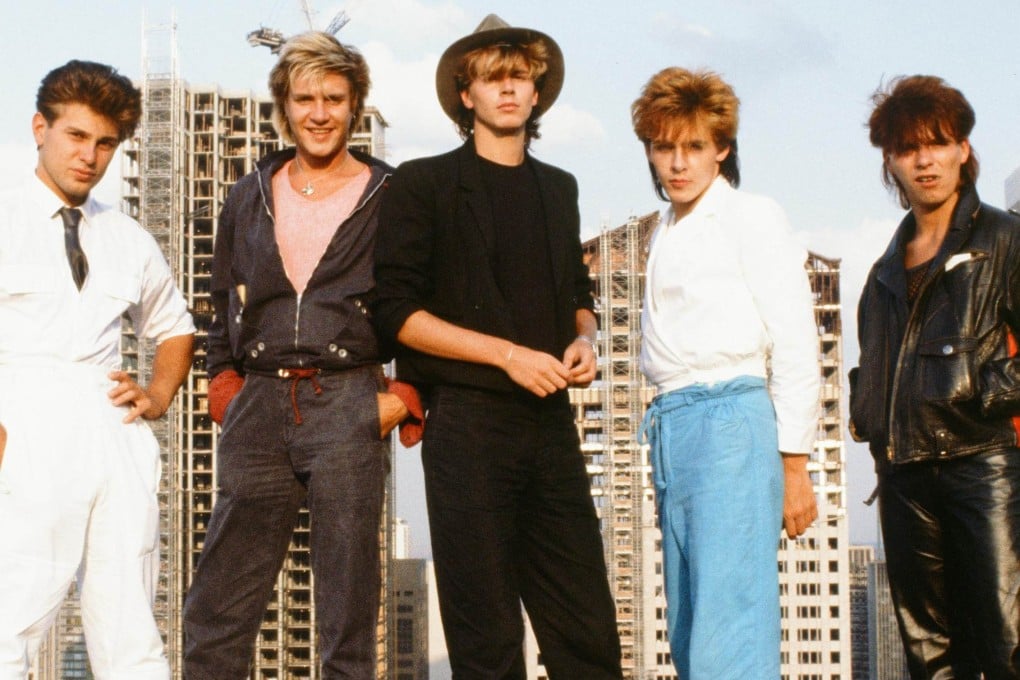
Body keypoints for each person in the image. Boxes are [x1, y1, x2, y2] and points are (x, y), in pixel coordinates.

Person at [372, 14, 622, 679]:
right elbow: (395, 313)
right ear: (466, 94)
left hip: (550, 425)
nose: (508, 90)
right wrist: (506, 354)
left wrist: (583, 340)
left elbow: (577, 291)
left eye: (519, 77)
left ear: (537, 93)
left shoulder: (558, 187)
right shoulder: (423, 184)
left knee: (589, 633)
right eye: (492, 78)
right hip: (466, 423)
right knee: (486, 640)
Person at [181, 31, 413, 679]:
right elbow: (220, 294)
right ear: (284, 106)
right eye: (305, 98)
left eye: (334, 99)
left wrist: (405, 396)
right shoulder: (249, 192)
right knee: (218, 607)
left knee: (346, 608)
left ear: (355, 104)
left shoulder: (392, 193)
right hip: (258, 403)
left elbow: (425, 299)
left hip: (348, 401)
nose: (319, 112)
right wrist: (222, 382)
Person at [0, 60, 195, 678]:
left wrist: (159, 395)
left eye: (105, 143)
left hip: (113, 431)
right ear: (40, 128)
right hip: (24, 425)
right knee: (11, 617)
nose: (89, 155)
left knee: (131, 626)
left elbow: (176, 326)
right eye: (76, 136)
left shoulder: (128, 236)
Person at [631, 67, 819, 679]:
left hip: (731, 421)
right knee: (688, 626)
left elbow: (794, 340)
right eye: (664, 147)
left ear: (722, 149)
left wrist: (794, 465)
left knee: (728, 629)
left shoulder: (751, 215)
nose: (677, 163)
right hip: (673, 427)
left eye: (693, 147)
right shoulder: (664, 228)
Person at [850, 75, 1020, 678]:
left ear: (963, 150)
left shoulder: (1004, 238)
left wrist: (980, 392)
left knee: (1007, 643)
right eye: (907, 148)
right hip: (903, 480)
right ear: (890, 163)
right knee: (929, 656)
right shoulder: (882, 276)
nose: (925, 160)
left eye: (939, 142)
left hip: (984, 467)